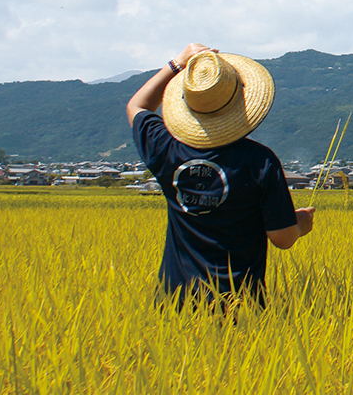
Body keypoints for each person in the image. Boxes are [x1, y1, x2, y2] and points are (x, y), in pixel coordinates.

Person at [127, 43, 314, 307]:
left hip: (173, 304)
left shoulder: (165, 147)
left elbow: (137, 105)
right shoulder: (259, 161)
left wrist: (178, 63)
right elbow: (282, 238)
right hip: (239, 306)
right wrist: (300, 224)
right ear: (242, 100)